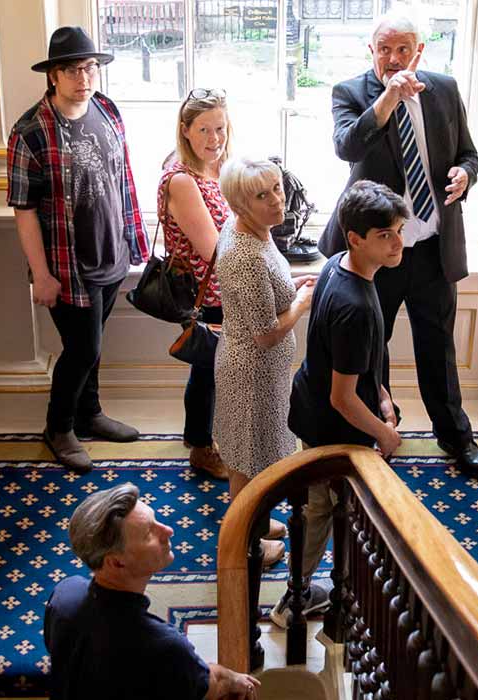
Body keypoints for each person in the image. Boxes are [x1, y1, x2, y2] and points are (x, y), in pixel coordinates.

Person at [317, 13, 478, 479]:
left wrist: (465, 174)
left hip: (432, 247)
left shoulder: (445, 90)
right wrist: (388, 99)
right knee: (373, 349)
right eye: (384, 50)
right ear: (370, 51)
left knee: (439, 348)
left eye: (403, 50)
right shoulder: (350, 93)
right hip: (377, 253)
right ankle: (382, 430)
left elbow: (469, 153)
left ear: (419, 51)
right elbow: (347, 148)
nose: (394, 59)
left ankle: (456, 438)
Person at [9, 26, 149, 473]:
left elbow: (122, 178)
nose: (83, 77)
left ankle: (89, 414)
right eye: (71, 69)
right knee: (82, 348)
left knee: (95, 344)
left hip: (111, 253)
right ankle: (59, 426)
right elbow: (23, 210)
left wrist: (132, 236)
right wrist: (41, 274)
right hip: (67, 266)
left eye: (89, 67)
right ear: (53, 75)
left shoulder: (106, 110)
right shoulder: (30, 131)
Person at [276, 181, 410, 627]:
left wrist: (384, 396)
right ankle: (293, 600)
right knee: (321, 510)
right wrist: (384, 432)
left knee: (325, 507)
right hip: (330, 425)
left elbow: (356, 365)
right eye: (385, 235)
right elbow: (342, 398)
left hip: (316, 407)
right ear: (355, 238)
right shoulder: (354, 306)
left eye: (398, 230)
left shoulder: (338, 265)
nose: (398, 243)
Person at [45, 483, 262, 699]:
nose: (167, 530)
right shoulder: (164, 647)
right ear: (116, 563)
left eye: (156, 519)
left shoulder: (65, 594)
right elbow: (213, 685)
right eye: (149, 533)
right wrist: (235, 679)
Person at [213, 157, 316, 568]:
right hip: (250, 372)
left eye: (277, 187)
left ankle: (258, 519)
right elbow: (266, 332)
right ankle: (245, 539)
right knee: (246, 460)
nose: (278, 200)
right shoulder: (245, 255)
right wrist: (302, 305)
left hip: (263, 370)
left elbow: (268, 289)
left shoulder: (258, 232)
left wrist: (293, 285)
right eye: (263, 195)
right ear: (240, 205)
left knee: (256, 452)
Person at [158, 88, 234, 479]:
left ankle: (204, 437)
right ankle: (202, 447)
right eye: (204, 129)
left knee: (213, 370)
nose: (214, 139)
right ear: (185, 130)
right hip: (205, 292)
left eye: (219, 128)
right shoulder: (183, 180)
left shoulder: (217, 167)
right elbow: (213, 250)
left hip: (226, 288)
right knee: (207, 369)